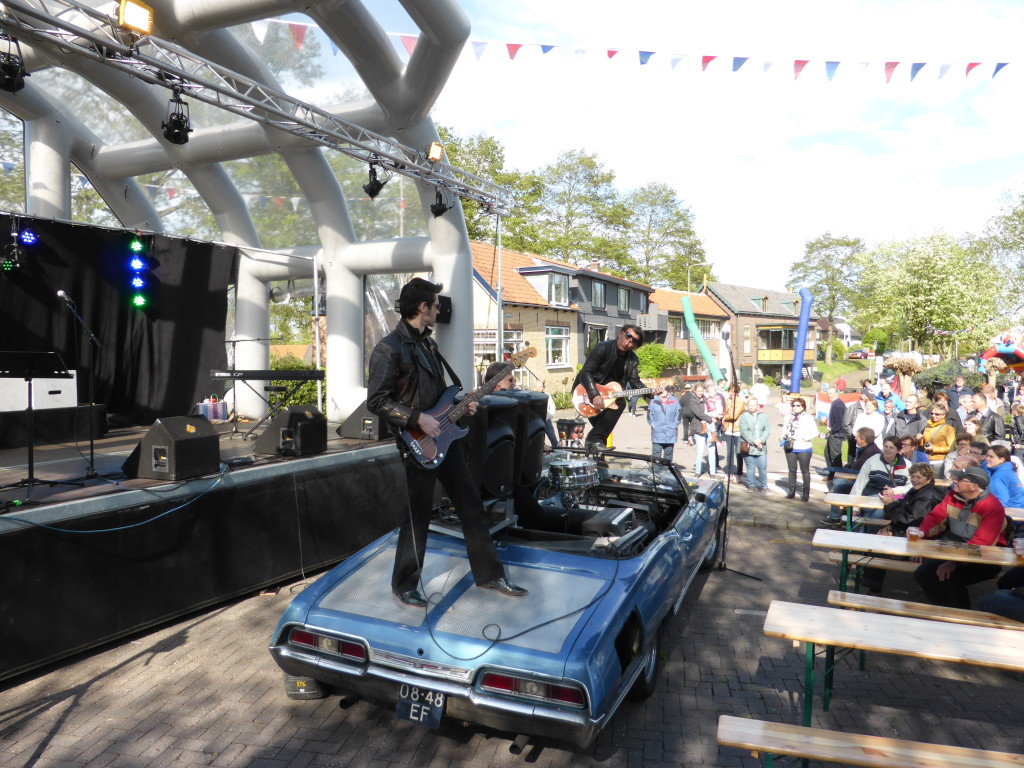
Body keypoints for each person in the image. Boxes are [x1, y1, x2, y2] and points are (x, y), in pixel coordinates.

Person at [367, 278, 526, 607]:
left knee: (470, 504)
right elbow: (377, 401)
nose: (440, 310)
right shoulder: (389, 348)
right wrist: (416, 419)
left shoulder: (429, 345)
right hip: (417, 442)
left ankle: (490, 574)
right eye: (436, 305)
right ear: (422, 308)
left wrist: (461, 406)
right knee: (418, 514)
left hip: (445, 437)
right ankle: (405, 584)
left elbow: (440, 394)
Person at [914, 466, 1010, 609]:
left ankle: (962, 617)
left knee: (950, 577)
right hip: (954, 551)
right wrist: (922, 531)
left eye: (960, 479)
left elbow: (982, 544)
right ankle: (943, 611)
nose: (955, 481)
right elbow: (936, 516)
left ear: (974, 486)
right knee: (923, 573)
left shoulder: (992, 507)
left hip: (986, 559)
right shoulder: (953, 496)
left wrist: (953, 563)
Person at [573, 324, 657, 448]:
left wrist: (651, 393)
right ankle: (593, 442)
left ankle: (597, 455)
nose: (628, 342)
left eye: (634, 341)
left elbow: (635, 382)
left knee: (601, 433)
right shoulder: (602, 348)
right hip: (586, 390)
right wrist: (594, 394)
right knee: (600, 433)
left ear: (635, 345)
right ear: (621, 333)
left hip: (609, 395)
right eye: (628, 336)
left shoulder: (633, 360)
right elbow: (586, 372)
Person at [820, 427, 882, 526]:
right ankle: (842, 513)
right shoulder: (867, 449)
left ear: (863, 439)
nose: (855, 439)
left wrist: (849, 466)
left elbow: (857, 468)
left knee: (838, 484)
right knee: (836, 482)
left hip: (867, 485)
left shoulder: (869, 452)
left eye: (857, 437)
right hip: (863, 480)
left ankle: (835, 517)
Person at [782, 396, 818, 501]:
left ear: (803, 407)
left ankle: (805, 493)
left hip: (804, 448)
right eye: (793, 405)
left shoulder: (808, 418)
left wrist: (805, 438)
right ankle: (791, 491)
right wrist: (784, 435)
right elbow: (784, 428)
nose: (795, 407)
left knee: (805, 470)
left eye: (798, 405)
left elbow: (815, 432)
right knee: (792, 470)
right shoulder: (788, 417)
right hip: (790, 447)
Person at [681, 382, 716, 476]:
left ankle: (712, 472)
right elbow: (698, 413)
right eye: (698, 391)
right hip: (699, 427)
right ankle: (697, 471)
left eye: (702, 391)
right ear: (695, 391)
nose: (700, 393)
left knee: (711, 451)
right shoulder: (692, 401)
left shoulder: (707, 399)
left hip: (710, 427)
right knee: (700, 452)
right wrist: (710, 418)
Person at [739, 396, 770, 493]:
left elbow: (767, 429)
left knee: (762, 466)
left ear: (757, 405)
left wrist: (761, 440)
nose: (751, 407)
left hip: (761, 446)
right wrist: (753, 441)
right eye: (750, 405)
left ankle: (764, 486)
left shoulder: (763, 416)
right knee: (750, 467)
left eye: (753, 405)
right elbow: (744, 431)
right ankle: (751, 485)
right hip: (748, 446)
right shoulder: (743, 416)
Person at [647, 385, 681, 462]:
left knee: (668, 454)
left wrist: (674, 425)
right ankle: (656, 471)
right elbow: (649, 416)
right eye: (660, 389)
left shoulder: (675, 401)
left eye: (664, 389)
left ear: (667, 390)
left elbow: (678, 415)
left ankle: (667, 471)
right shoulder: (653, 401)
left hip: (670, 432)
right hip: (657, 432)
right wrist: (653, 425)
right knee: (656, 454)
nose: (662, 391)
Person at [721, 381, 747, 478]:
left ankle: (739, 473)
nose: (730, 393)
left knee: (738, 453)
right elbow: (725, 411)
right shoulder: (727, 400)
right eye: (729, 391)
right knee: (729, 452)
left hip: (738, 429)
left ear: (737, 392)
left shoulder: (740, 402)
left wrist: (724, 418)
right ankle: (730, 472)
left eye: (732, 391)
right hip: (729, 429)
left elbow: (734, 415)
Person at [824, 387, 847, 481]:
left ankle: (838, 477)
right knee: (827, 454)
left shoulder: (838, 405)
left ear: (836, 393)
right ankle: (832, 474)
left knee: (835, 457)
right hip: (834, 433)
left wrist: (831, 432)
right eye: (828, 393)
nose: (828, 395)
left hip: (837, 434)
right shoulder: (835, 404)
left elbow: (839, 422)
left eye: (830, 393)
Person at [704, 381, 725, 474]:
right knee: (710, 442)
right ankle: (713, 462)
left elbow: (721, 409)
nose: (710, 393)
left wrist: (716, 417)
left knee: (712, 441)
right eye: (709, 391)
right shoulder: (706, 397)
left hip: (716, 420)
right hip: (709, 419)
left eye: (712, 391)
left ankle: (714, 463)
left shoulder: (719, 397)